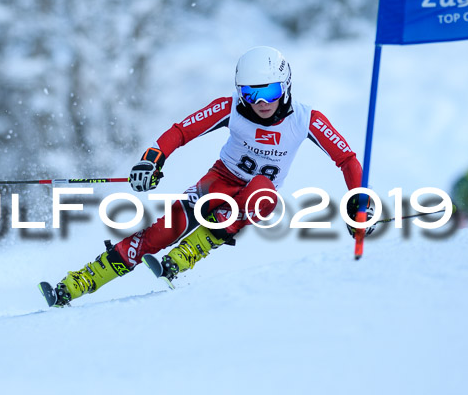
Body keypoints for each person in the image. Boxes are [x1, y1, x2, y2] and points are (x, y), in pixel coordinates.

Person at [41, 46, 373, 307]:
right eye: (250, 93)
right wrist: (151, 160)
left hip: (255, 196)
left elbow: (346, 159)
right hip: (216, 182)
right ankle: (77, 284)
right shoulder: (229, 108)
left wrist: (358, 200)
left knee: (262, 192)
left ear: (286, 85)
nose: (261, 103)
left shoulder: (306, 120)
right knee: (159, 234)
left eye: (270, 92)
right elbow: (182, 130)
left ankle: (188, 254)